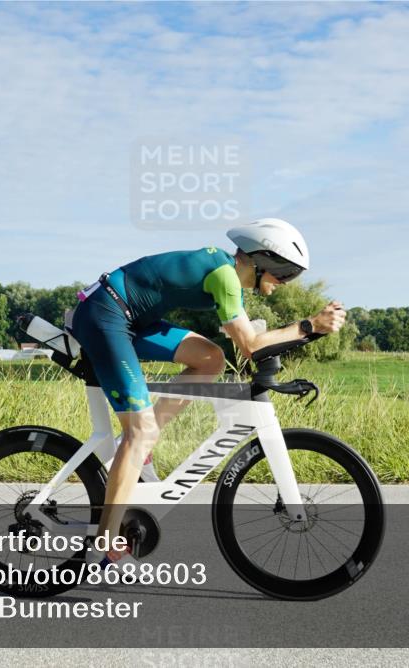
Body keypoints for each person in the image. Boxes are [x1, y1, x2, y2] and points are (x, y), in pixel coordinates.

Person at [69, 218, 346, 563]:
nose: (285, 283)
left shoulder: (228, 277)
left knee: (210, 359)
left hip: (130, 317)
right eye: (285, 274)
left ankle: (144, 448)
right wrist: (309, 326)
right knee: (138, 433)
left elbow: (246, 344)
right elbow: (250, 346)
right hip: (105, 315)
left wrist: (306, 332)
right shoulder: (226, 278)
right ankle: (108, 541)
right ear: (264, 261)